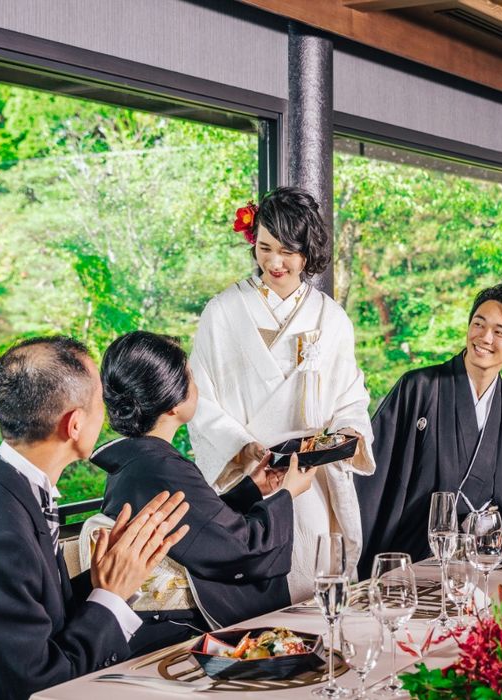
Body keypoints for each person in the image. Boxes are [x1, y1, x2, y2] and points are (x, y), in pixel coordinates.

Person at [0, 336, 189, 700]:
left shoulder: (1, 489)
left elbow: (33, 609)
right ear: (75, 424)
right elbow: (39, 686)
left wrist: (103, 578)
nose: (106, 414)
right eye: (100, 402)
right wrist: (111, 595)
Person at [187, 187, 375, 602]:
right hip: (248, 476)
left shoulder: (331, 318)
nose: (275, 263)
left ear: (307, 252)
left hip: (309, 478)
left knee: (313, 586)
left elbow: (350, 396)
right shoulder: (222, 312)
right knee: (256, 599)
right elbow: (200, 400)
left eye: (287, 251)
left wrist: (347, 432)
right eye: (265, 248)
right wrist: (242, 447)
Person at [90, 330, 315, 631]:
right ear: (173, 404)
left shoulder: (138, 463)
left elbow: (201, 527)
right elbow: (241, 550)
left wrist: (252, 489)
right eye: (191, 378)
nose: (196, 387)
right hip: (177, 627)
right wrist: (286, 494)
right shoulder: (162, 468)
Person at [356, 284, 502, 577]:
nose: (484, 337)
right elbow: (374, 476)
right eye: (478, 324)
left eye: (499, 332)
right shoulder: (418, 388)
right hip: (419, 554)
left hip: (487, 557)